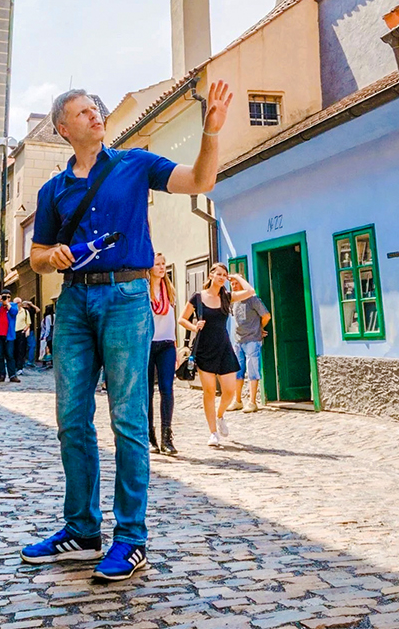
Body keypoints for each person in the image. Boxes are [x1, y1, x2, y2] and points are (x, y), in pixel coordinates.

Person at [19, 82, 231, 583]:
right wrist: (52, 256)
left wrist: (211, 131)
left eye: (97, 109)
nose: (96, 116)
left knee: (129, 420)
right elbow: (37, 256)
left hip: (127, 297)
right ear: (63, 128)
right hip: (73, 300)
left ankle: (131, 538)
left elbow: (201, 180)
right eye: (84, 112)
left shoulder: (136, 163)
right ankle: (81, 530)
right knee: (71, 418)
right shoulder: (53, 190)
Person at [180, 263, 255, 448]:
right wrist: (193, 326)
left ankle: (220, 415)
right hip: (204, 349)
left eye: (224, 275)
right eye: (219, 274)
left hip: (223, 346)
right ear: (211, 275)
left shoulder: (227, 297)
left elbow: (250, 291)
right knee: (209, 392)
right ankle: (213, 432)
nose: (222, 277)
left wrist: (236, 277)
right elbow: (182, 318)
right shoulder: (198, 297)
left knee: (229, 391)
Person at [145, 253, 178, 455]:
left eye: (163, 264)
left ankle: (167, 436)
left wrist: (176, 345)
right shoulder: (144, 290)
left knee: (167, 388)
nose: (161, 267)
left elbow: (172, 319)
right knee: (147, 391)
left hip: (166, 344)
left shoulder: (169, 290)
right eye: (157, 264)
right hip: (148, 344)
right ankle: (149, 435)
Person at [228, 280, 270, 412]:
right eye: (232, 284)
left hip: (252, 339)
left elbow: (266, 316)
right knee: (237, 371)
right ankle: (238, 400)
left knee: (253, 370)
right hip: (238, 340)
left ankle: (252, 402)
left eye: (236, 283)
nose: (234, 286)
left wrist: (260, 328)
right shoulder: (233, 301)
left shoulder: (252, 299)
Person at [12, 296, 33, 376]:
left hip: (21, 332)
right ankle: (13, 367)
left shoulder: (25, 312)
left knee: (21, 350)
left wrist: (25, 330)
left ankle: (20, 368)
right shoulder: (11, 311)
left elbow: (28, 323)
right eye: (15, 303)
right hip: (12, 332)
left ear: (21, 303)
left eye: (18, 302)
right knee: (13, 350)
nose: (17, 304)